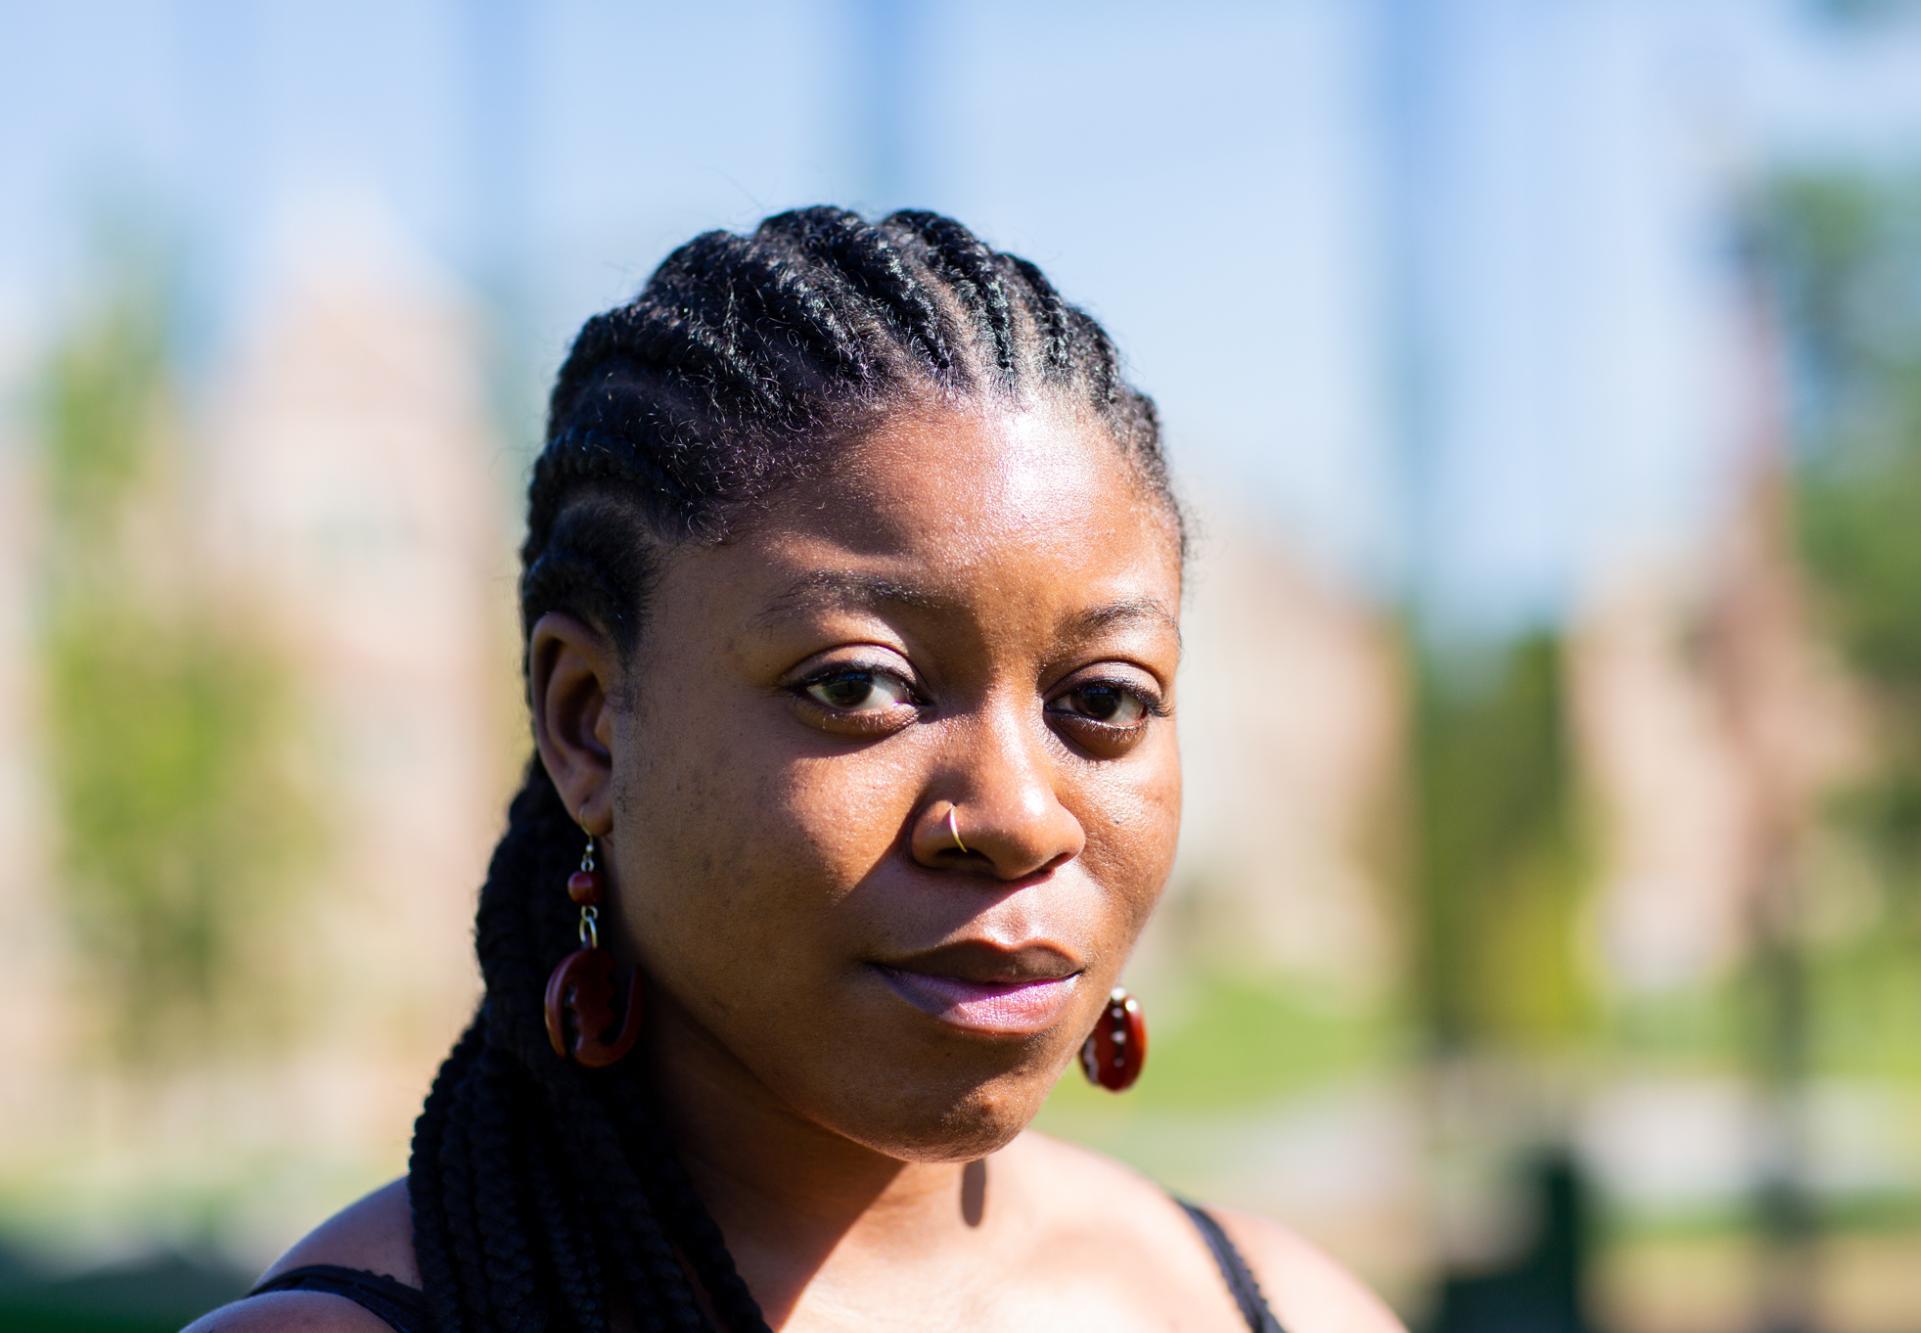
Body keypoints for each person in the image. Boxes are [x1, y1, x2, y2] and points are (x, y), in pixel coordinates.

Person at [187, 207, 1403, 1332]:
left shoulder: (1281, 1310)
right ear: (589, 721)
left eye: (1103, 700)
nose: (1019, 816)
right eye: (858, 685)